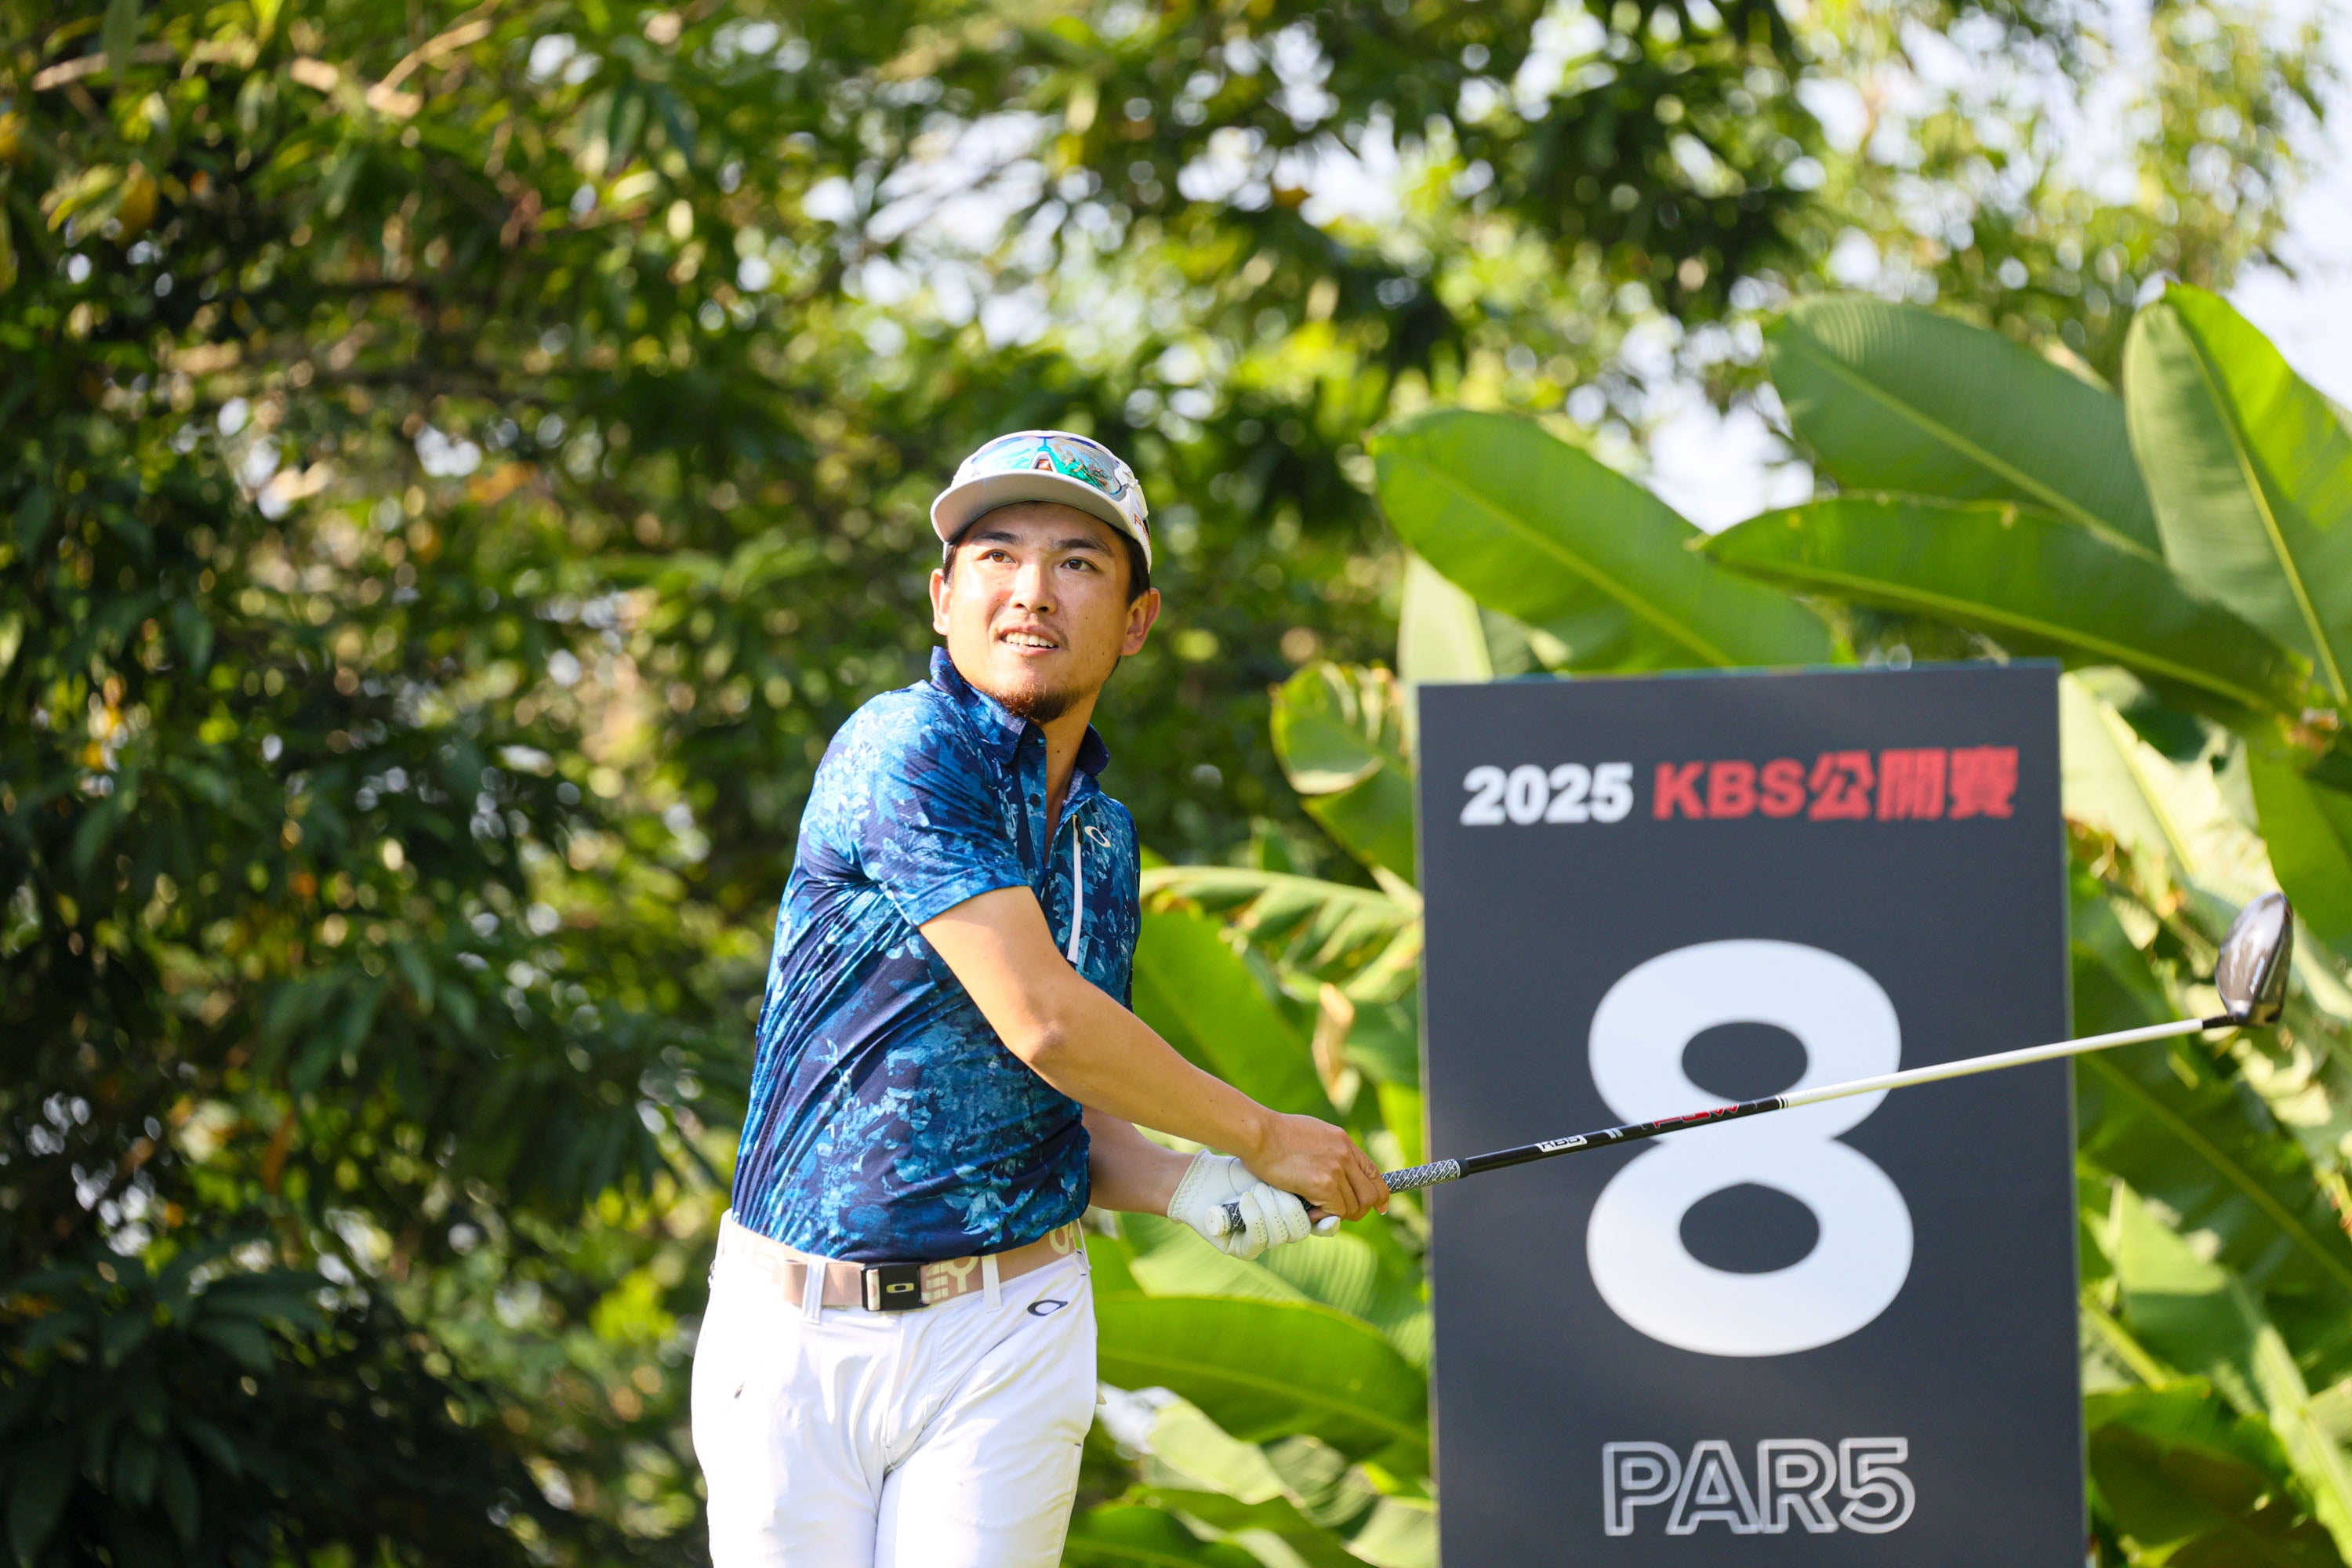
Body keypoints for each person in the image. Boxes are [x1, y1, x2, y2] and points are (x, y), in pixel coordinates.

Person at [691, 430, 1391, 1568]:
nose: (1031, 591)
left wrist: (1192, 1186)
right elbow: (1046, 1021)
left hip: (1011, 1332)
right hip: (794, 1336)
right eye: (997, 556)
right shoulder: (904, 747)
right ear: (943, 598)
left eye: (1077, 563)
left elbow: (1064, 1106)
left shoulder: (1102, 838)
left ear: (1137, 620)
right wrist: (1262, 1137)